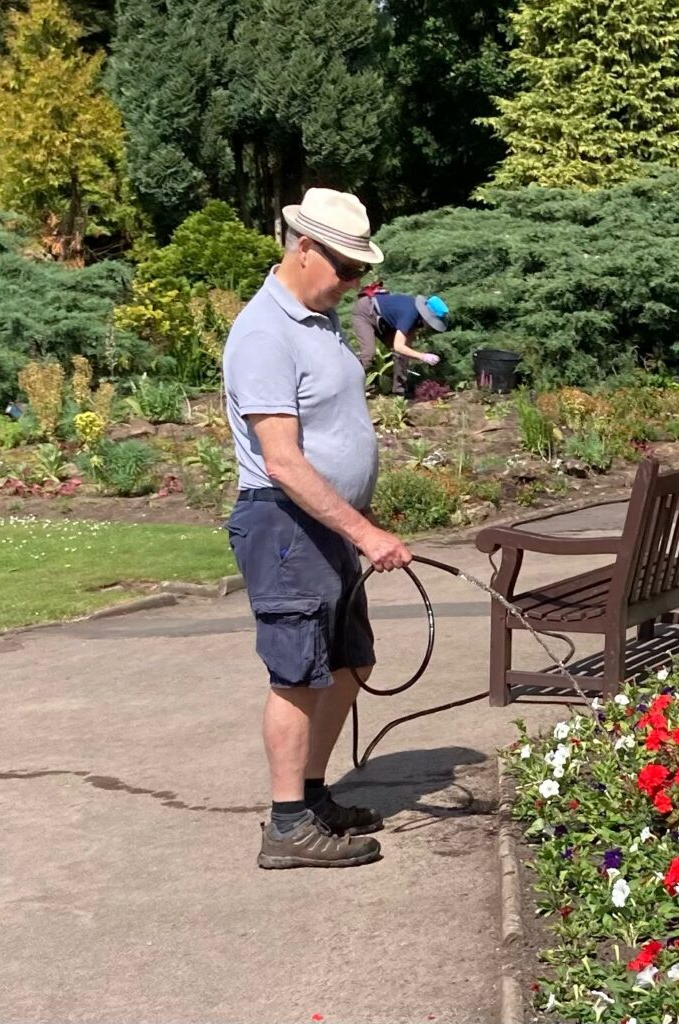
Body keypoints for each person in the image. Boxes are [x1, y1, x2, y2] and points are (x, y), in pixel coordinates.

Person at [222, 187, 413, 870]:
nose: (354, 282)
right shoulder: (264, 334)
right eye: (345, 267)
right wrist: (363, 533)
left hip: (323, 528)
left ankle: (308, 797)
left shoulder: (314, 318)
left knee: (347, 663)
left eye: (360, 270)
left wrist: (355, 520)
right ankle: (284, 828)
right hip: (283, 525)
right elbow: (282, 461)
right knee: (298, 675)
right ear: (302, 248)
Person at [352, 287, 449, 395]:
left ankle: (399, 392)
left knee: (402, 355)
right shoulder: (410, 314)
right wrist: (423, 356)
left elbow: (404, 347)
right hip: (365, 311)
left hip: (382, 319)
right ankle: (349, 386)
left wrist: (414, 354)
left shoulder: (417, 319)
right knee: (368, 354)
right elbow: (398, 345)